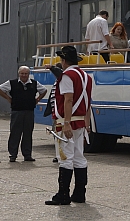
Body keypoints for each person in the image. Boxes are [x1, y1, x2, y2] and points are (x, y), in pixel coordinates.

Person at [45, 46, 93, 205]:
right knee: (79, 157)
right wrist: (87, 120)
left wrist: (66, 122)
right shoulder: (87, 76)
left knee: (65, 158)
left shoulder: (67, 76)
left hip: (67, 122)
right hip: (80, 122)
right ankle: (79, 194)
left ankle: (63, 195)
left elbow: (68, 99)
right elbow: (88, 101)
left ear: (64, 60)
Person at [0, 66, 47, 162]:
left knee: (28, 134)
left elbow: (44, 90)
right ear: (19, 74)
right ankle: (13, 155)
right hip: (17, 112)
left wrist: (38, 99)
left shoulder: (34, 83)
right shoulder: (12, 83)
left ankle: (27, 155)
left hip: (29, 112)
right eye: (22, 73)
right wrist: (8, 98)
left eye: (26, 73)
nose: (24, 75)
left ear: (28, 74)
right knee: (15, 134)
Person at [43, 62, 63, 163]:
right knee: (56, 134)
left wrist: (51, 67)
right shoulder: (58, 81)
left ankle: (60, 155)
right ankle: (58, 155)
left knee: (59, 135)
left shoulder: (63, 78)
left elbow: (60, 73)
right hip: (56, 112)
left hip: (59, 113)